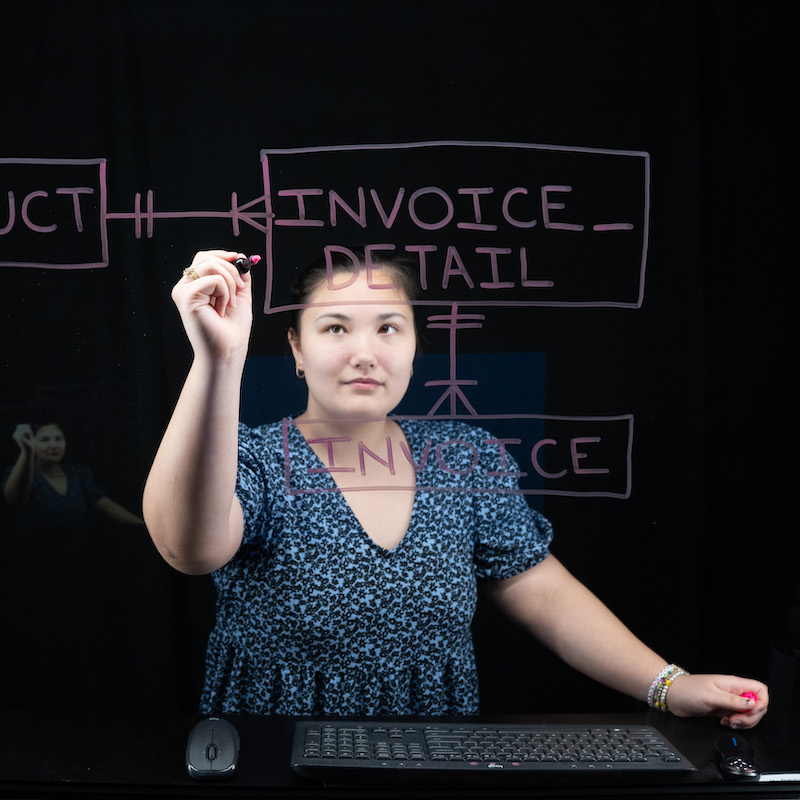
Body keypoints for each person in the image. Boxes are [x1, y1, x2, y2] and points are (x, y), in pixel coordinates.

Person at [143, 248, 768, 727]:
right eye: (335, 328)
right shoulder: (250, 458)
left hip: (437, 759)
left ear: (417, 346)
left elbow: (539, 589)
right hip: (272, 758)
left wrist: (670, 685)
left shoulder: (462, 456)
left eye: (389, 327)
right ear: (296, 348)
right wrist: (219, 359)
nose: (365, 352)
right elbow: (188, 549)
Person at [3, 422, 144, 529]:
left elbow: (106, 505)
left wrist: (143, 527)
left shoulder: (78, 472)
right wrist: (27, 452)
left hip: (79, 548)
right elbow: (15, 500)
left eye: (58, 439)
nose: (53, 445)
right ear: (32, 442)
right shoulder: (20, 473)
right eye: (44, 440)